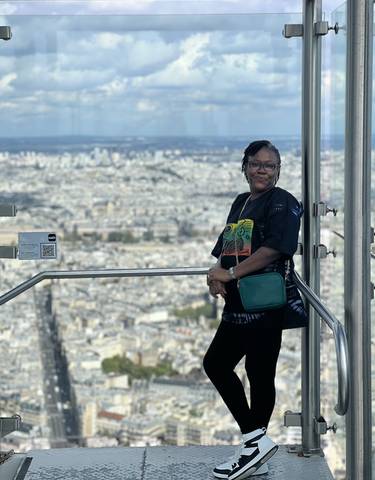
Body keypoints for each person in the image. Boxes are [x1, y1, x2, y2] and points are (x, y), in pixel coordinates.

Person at [204, 140, 307, 480]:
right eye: (257, 163)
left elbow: (276, 248)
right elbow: (230, 244)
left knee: (258, 373)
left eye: (270, 165)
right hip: (237, 302)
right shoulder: (240, 202)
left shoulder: (283, 202)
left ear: (278, 171)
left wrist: (230, 273)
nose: (263, 169)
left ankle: (253, 445)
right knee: (218, 364)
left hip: (264, 302)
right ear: (244, 166)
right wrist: (217, 274)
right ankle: (255, 442)